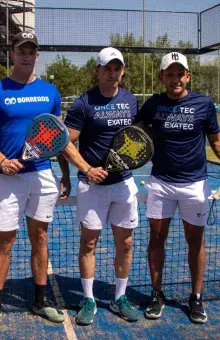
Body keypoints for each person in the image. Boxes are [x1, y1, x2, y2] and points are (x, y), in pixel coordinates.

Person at [0, 31, 107, 330]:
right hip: (7, 178)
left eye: (31, 50)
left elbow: (57, 136)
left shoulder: (50, 92)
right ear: (12, 54)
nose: (26, 54)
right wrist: (2, 160)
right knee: (4, 241)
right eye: (21, 49)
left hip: (42, 175)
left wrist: (73, 170)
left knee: (41, 238)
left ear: (37, 55)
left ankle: (40, 299)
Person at [134, 52, 220, 323]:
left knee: (195, 241)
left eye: (179, 73)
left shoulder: (204, 104)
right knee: (157, 239)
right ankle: (157, 293)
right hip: (160, 184)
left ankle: (196, 298)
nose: (175, 79)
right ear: (162, 77)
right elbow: (135, 134)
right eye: (169, 74)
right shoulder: (152, 105)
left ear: (187, 76)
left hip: (195, 186)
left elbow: (216, 143)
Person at [63, 47, 140, 325]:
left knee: (126, 243)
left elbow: (138, 137)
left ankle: (119, 297)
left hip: (123, 184)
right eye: (107, 67)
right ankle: (89, 299)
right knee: (89, 243)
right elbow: (65, 142)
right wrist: (87, 169)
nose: (112, 72)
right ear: (97, 70)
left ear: (122, 70)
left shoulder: (131, 100)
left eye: (117, 67)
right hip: (91, 186)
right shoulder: (84, 103)